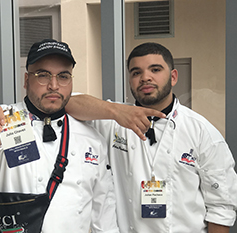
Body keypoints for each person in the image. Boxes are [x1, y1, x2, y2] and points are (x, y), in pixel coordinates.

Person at [66, 42, 237, 233]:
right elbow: (66, 102)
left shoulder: (201, 131)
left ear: (173, 77)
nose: (145, 77)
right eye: (136, 72)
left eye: (155, 70)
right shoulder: (113, 122)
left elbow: (221, 207)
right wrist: (116, 111)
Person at [0, 39, 120, 232]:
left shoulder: (91, 138)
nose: (53, 85)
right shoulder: (4, 119)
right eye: (43, 75)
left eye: (63, 76)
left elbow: (104, 216)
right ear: (26, 80)